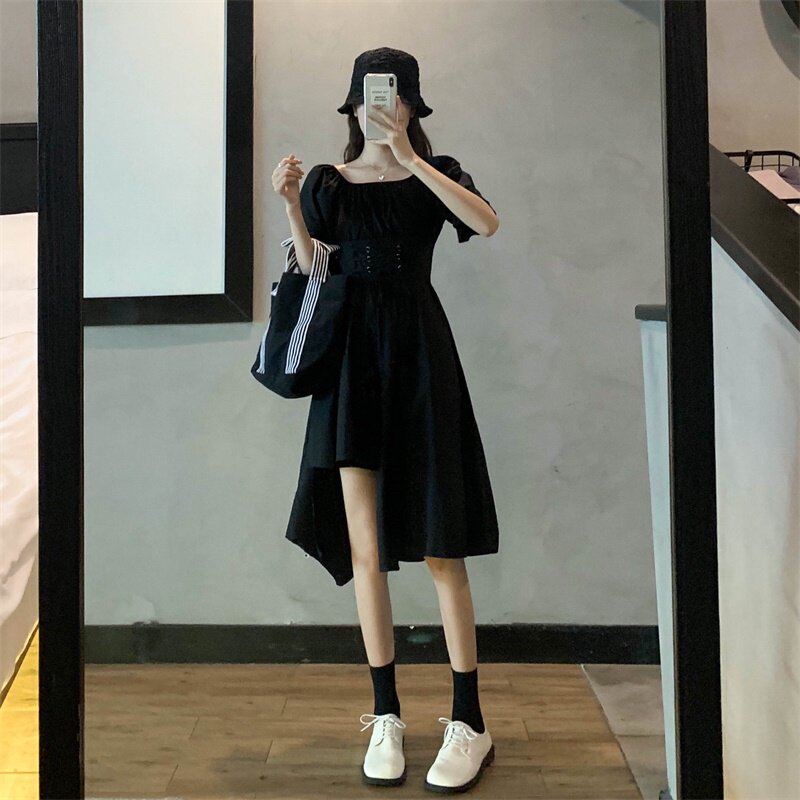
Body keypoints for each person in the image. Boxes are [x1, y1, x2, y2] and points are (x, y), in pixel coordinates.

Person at [270, 47, 500, 793]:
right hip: (350, 366)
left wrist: (409, 157)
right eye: (372, 93)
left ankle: (469, 721)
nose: (382, 104)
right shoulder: (329, 183)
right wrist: (290, 204)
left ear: (411, 104)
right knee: (365, 549)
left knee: (441, 547)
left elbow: (485, 223)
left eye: (395, 94)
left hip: (421, 360)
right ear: (353, 103)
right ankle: (387, 715)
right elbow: (316, 271)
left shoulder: (436, 172)